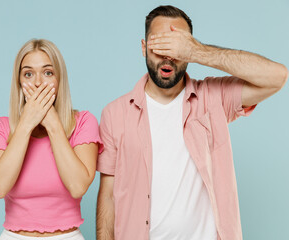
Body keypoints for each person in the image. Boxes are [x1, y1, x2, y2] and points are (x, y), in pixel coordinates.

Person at [96, 5, 287, 240]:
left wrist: (198, 51)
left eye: (175, 46)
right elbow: (107, 196)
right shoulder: (114, 114)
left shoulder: (212, 98)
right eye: (159, 46)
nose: (167, 56)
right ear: (144, 48)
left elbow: (276, 77)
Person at [0, 39, 103, 240]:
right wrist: (26, 124)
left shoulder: (83, 122)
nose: (38, 82)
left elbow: (78, 186)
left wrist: (53, 123)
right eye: (28, 74)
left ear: (59, 79)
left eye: (48, 73)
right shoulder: (1, 127)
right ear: (19, 82)